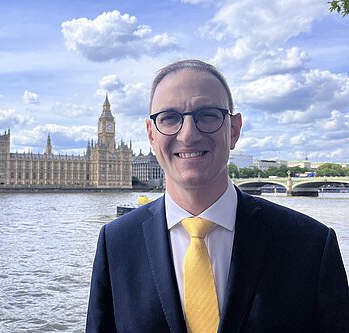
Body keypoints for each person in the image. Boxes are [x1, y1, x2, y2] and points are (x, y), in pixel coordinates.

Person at [86, 59, 348, 332]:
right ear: (151, 135)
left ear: (234, 129)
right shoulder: (115, 244)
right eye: (169, 118)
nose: (188, 134)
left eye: (208, 115)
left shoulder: (311, 245)